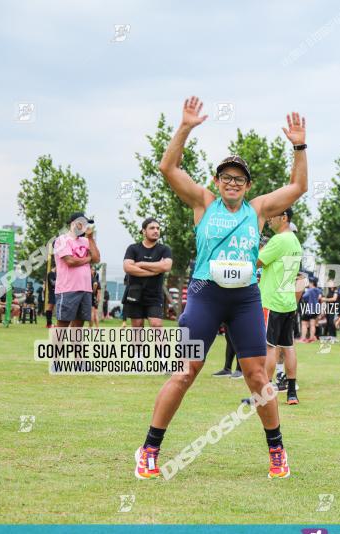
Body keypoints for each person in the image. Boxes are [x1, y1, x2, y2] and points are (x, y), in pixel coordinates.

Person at [133, 97, 307, 480]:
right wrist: (185, 127)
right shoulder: (203, 202)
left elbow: (298, 186)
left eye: (239, 179)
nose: (231, 183)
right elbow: (167, 167)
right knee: (185, 372)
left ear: (248, 185)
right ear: (217, 181)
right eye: (226, 177)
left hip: (245, 298)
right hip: (205, 294)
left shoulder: (258, 209)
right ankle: (149, 448)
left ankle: (277, 451)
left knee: (258, 377)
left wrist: (298, 147)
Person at [258, 207, 303, 405]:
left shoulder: (278, 240)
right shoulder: (295, 240)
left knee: (269, 348)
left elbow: (256, 261)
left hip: (271, 301)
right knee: (289, 347)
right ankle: (292, 393)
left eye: (272, 216)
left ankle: (264, 393)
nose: (268, 219)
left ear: (284, 218)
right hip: (288, 302)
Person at [53, 213, 101, 327]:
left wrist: (90, 238)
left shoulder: (86, 241)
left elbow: (97, 259)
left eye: (87, 224)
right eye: (83, 223)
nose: (86, 227)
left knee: (79, 325)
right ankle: (56, 346)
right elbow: (70, 261)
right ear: (74, 223)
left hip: (85, 289)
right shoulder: (62, 240)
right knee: (63, 324)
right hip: (68, 289)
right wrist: (88, 258)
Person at [123, 218, 172, 328]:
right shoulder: (133, 248)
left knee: (156, 325)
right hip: (135, 293)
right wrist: (154, 271)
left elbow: (166, 266)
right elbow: (127, 268)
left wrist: (140, 264)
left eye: (158, 228)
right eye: (152, 228)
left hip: (155, 296)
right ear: (144, 231)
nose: (156, 231)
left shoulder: (164, 249)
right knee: (137, 327)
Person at [299, 277, 321, 342]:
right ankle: (311, 338)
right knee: (312, 324)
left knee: (304, 323)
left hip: (309, 309)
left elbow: (304, 297)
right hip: (316, 309)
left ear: (311, 283)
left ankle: (303, 338)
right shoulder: (318, 290)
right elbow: (320, 297)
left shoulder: (309, 290)